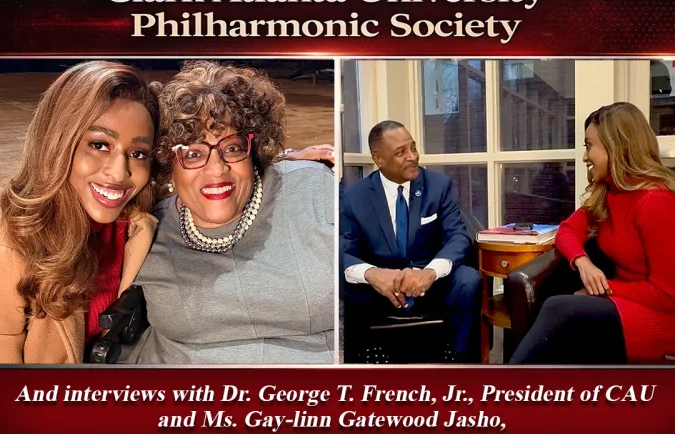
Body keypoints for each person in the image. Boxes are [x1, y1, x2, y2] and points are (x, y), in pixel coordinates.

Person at [128, 60, 334, 364]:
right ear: (166, 162)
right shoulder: (143, 229)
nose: (216, 171)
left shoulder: (313, 191)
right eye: (193, 153)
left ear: (253, 152)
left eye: (232, 149)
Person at [0, 61, 159, 363]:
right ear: (58, 143)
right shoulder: (11, 247)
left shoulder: (138, 224)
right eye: (99, 144)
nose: (119, 171)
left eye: (138, 153)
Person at [511, 102, 675, 364]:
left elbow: (668, 296)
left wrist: (604, 290)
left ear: (616, 146)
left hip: (658, 318)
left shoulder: (656, 202)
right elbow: (567, 230)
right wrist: (582, 261)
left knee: (559, 310)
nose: (585, 156)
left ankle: (504, 391)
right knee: (557, 301)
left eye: (589, 145)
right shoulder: (610, 192)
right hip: (624, 302)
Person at [340, 120, 480, 363]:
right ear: (378, 158)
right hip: (382, 291)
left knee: (468, 280)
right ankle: (360, 368)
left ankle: (460, 365)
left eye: (413, 148)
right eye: (400, 152)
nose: (412, 156)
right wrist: (372, 274)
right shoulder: (354, 196)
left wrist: (430, 272)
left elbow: (458, 236)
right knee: (341, 283)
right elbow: (343, 251)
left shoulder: (439, 186)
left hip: (431, 285)